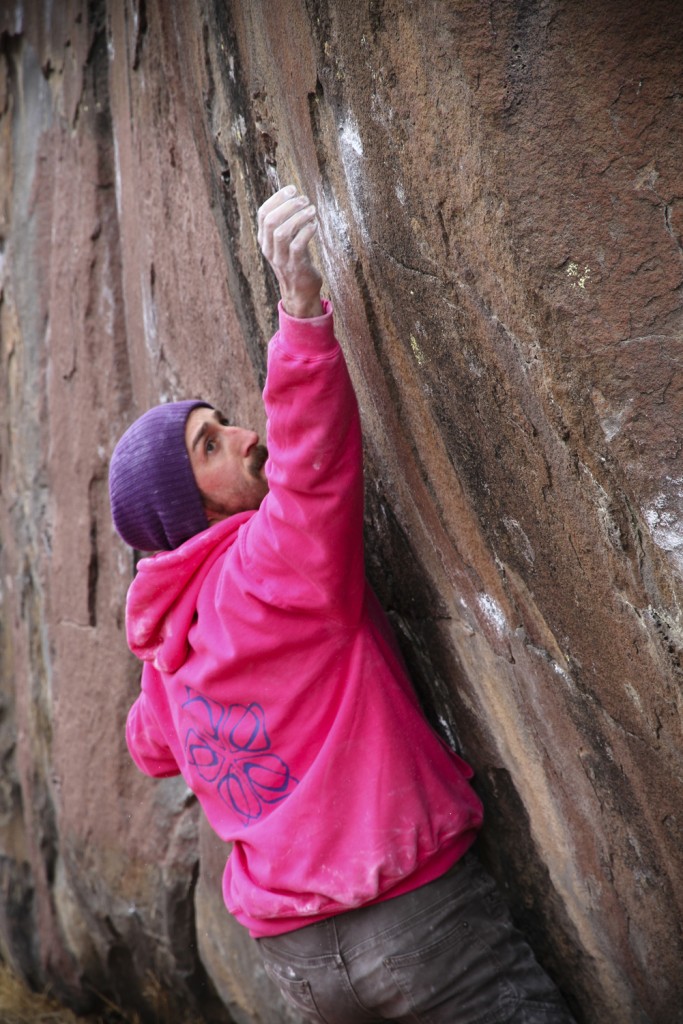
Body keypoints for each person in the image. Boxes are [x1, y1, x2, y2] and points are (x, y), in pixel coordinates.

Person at [109, 185, 576, 1023]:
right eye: (209, 446)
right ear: (189, 513)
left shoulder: (162, 657)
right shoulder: (267, 571)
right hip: (416, 924)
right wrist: (298, 310)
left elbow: (150, 749)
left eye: (223, 423)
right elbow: (309, 466)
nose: (243, 435)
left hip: (297, 965)